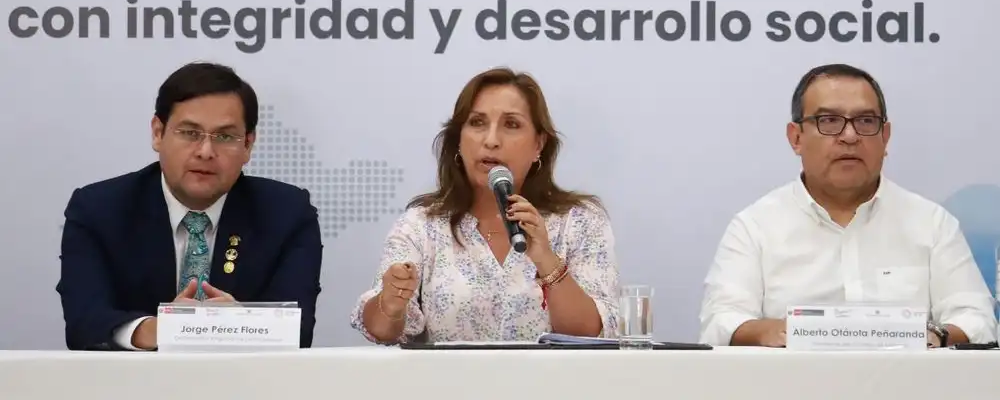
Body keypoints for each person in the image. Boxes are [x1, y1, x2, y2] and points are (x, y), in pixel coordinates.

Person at [699, 63, 997, 348]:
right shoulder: (755, 227)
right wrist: (782, 333)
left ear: (885, 136)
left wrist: (933, 335)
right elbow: (721, 322)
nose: (850, 136)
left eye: (866, 121)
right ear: (796, 137)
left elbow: (978, 320)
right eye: (829, 121)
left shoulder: (932, 223)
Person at [56, 62, 323, 350]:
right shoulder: (99, 210)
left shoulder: (287, 213)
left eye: (224, 137)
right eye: (189, 133)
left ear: (247, 145)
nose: (206, 152)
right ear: (158, 133)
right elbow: (84, 323)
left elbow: (299, 329)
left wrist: (244, 323)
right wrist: (162, 330)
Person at [350, 67, 619, 344]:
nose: (491, 141)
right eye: (477, 123)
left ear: (539, 144)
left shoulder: (580, 221)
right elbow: (381, 329)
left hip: (552, 386)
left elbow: (590, 335)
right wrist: (391, 303)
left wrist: (546, 260)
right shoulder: (421, 225)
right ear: (458, 139)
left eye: (511, 124)